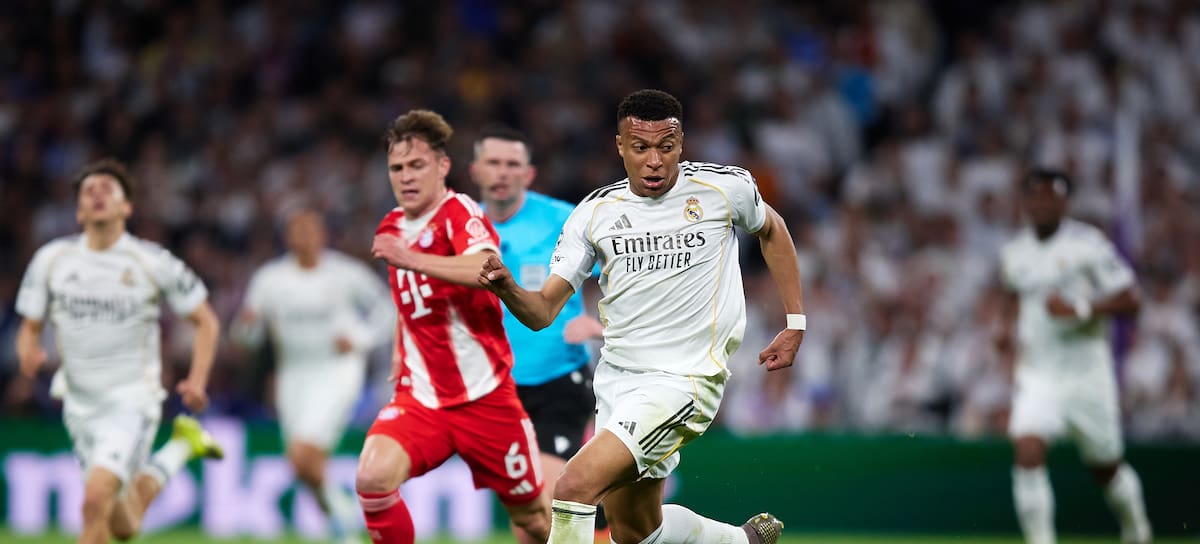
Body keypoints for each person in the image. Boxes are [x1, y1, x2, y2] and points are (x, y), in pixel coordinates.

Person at [479, 89, 804, 544]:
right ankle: (743, 541)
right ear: (620, 147)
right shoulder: (593, 215)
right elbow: (541, 311)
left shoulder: (722, 189)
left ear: (681, 143)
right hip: (618, 382)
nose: (654, 161)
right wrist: (508, 288)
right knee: (635, 531)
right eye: (641, 148)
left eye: (665, 148)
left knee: (573, 487)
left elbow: (772, 229)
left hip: (684, 380)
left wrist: (795, 322)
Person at [353, 109, 550, 544]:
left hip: (486, 399)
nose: (405, 177)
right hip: (422, 399)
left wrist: (411, 258)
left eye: (416, 165)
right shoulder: (392, 224)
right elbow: (406, 302)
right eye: (397, 168)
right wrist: (399, 350)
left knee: (535, 520)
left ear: (442, 167)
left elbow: (486, 266)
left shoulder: (458, 211)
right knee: (373, 476)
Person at [14, 159, 224, 544]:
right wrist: (28, 354)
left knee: (94, 500)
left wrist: (197, 381)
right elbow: (29, 326)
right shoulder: (52, 260)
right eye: (88, 190)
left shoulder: (151, 261)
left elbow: (206, 321)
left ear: (127, 207)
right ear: (78, 210)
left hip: (132, 400)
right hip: (78, 404)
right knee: (122, 525)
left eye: (107, 188)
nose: (97, 195)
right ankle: (180, 446)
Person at [996, 169, 1152, 544]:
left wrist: (1081, 308)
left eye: (1051, 197)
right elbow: (1011, 294)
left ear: (1066, 203)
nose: (1043, 204)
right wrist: (1003, 330)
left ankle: (1136, 529)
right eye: (1035, 197)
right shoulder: (1013, 252)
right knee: (1027, 452)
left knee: (1106, 467)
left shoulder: (1089, 246)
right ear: (1025, 203)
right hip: (1039, 375)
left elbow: (1132, 299)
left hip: (1087, 374)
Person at [468, 125, 607, 539]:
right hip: (497, 392)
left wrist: (601, 325)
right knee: (527, 523)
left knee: (552, 503)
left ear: (529, 174)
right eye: (494, 162)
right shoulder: (463, 228)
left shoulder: (563, 220)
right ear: (475, 170)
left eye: (513, 164)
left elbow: (625, 279)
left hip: (558, 383)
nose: (503, 172)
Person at [233, 209, 394, 544]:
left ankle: (343, 522)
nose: (304, 236)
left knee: (305, 455)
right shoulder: (270, 279)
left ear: (323, 235)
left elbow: (388, 308)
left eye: (310, 229)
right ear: (287, 236)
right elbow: (246, 337)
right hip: (293, 374)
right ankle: (341, 517)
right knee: (301, 465)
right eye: (296, 230)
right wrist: (246, 326)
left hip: (336, 371)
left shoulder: (344, 274)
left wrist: (361, 338)